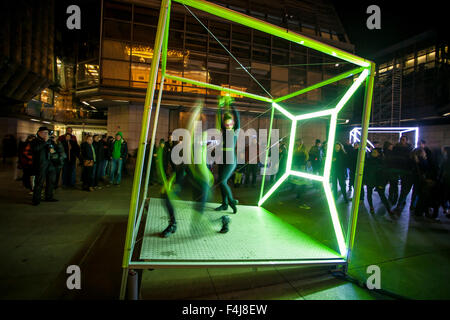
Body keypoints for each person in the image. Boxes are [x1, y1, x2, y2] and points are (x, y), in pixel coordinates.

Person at [214, 96, 240, 214]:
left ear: (233, 123)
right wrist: (220, 107)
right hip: (222, 159)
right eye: (225, 123)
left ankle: (231, 202)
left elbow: (237, 117)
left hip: (230, 160)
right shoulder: (224, 131)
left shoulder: (236, 130)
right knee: (221, 182)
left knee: (222, 181)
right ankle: (224, 204)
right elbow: (219, 118)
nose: (227, 124)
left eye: (229, 122)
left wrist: (231, 104)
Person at [31, 127, 59, 205]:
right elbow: (35, 149)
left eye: (47, 133)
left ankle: (49, 197)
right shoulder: (35, 141)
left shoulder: (49, 141)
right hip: (41, 164)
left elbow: (55, 150)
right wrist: (45, 142)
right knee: (39, 182)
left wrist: (55, 143)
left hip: (50, 164)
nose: (46, 134)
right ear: (39, 133)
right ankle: (36, 199)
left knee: (51, 182)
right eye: (44, 133)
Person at [363, 148, 393, 215]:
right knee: (369, 194)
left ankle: (388, 209)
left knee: (382, 196)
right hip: (370, 180)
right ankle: (371, 207)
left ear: (379, 153)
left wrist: (383, 183)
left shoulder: (382, 161)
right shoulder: (368, 160)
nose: (373, 153)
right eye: (372, 152)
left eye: (375, 152)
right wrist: (364, 180)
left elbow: (385, 174)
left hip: (378, 181)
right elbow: (365, 171)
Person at [391, 135, 414, 212]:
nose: (402, 141)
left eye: (403, 140)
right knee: (395, 185)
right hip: (397, 169)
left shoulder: (409, 149)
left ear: (406, 141)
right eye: (401, 139)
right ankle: (398, 200)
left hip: (405, 170)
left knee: (404, 187)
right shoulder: (396, 148)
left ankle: (400, 202)